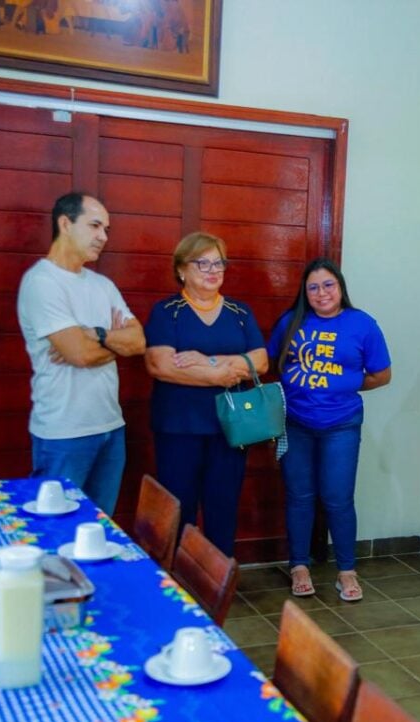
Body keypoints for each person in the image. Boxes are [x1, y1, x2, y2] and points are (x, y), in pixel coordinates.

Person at [267, 258, 392, 601]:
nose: (321, 293)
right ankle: (299, 566)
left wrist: (344, 386)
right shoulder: (290, 323)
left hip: (342, 425)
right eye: (313, 287)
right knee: (300, 497)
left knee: (338, 499)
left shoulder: (362, 324)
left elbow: (382, 374)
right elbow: (271, 363)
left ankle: (347, 572)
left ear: (340, 288)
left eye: (328, 285)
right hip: (294, 423)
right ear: (305, 293)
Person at [17, 192, 145, 515]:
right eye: (95, 226)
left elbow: (140, 341)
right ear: (65, 223)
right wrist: (115, 343)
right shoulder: (41, 283)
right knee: (56, 532)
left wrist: (98, 334)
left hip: (110, 428)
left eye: (107, 229)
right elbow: (79, 355)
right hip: (63, 434)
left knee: (99, 532)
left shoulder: (103, 285)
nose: (103, 237)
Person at [143, 232, 266, 556]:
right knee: (178, 509)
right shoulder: (167, 311)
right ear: (182, 269)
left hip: (231, 429)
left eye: (219, 263)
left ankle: (215, 588)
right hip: (178, 429)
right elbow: (161, 365)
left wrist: (206, 360)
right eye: (203, 263)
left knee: (223, 509)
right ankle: (177, 587)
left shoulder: (240, 312)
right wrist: (223, 374)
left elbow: (261, 361)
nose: (213, 270)